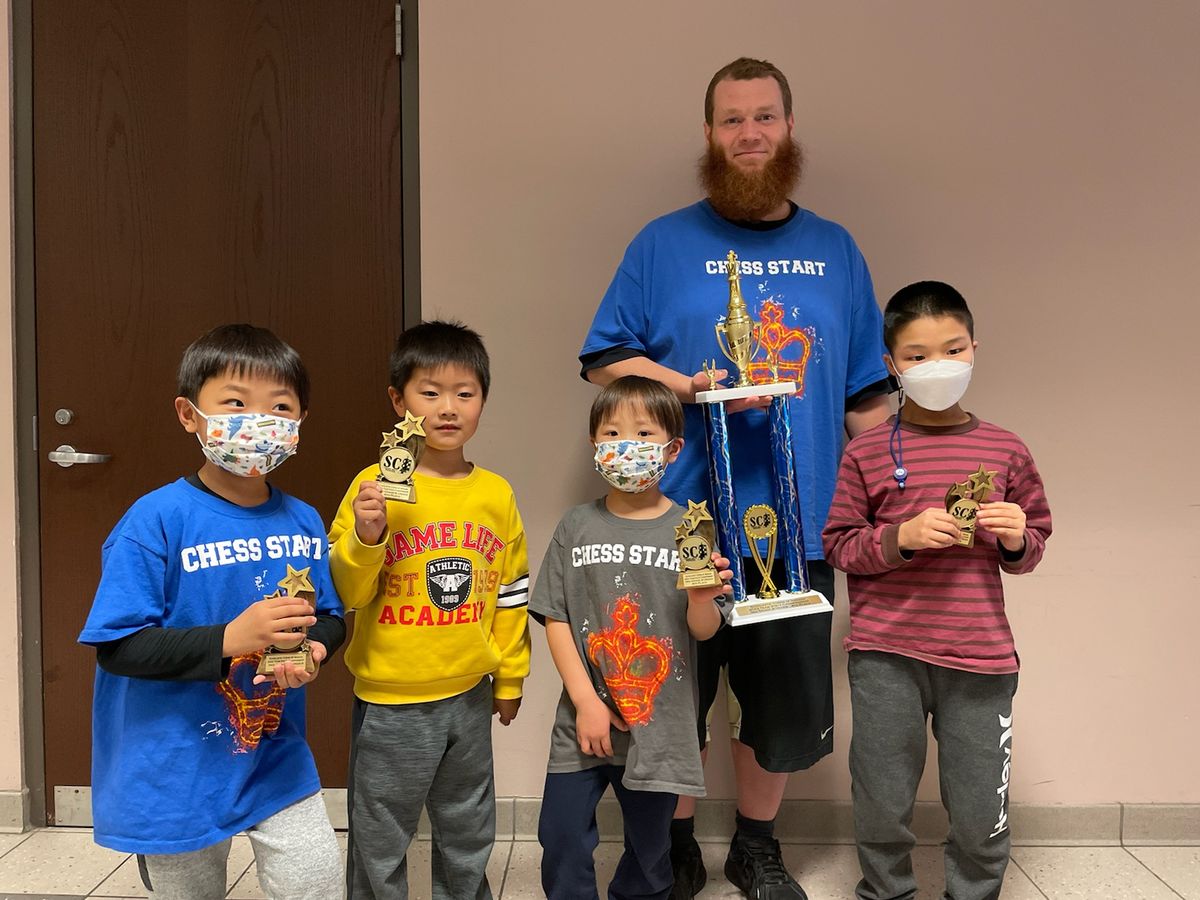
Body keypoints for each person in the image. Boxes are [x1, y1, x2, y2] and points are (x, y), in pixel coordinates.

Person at [580, 56, 892, 899]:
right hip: (681, 516)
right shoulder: (662, 242)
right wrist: (691, 388)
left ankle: (757, 845)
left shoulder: (836, 249)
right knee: (677, 692)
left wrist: (915, 474)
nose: (749, 133)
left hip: (802, 517)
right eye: (731, 119)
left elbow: (867, 396)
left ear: (789, 128)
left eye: (764, 117)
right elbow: (605, 359)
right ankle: (675, 846)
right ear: (709, 134)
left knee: (778, 700)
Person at [79, 324, 345, 900]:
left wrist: (317, 646)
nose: (259, 420)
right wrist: (231, 638)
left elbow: (328, 614)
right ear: (189, 414)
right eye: (235, 402)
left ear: (300, 422)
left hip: (273, 753)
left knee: (317, 877)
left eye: (280, 406)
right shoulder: (154, 522)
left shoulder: (302, 520)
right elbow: (119, 646)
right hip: (175, 768)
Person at [822, 281, 1052, 900]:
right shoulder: (867, 452)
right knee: (880, 799)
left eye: (953, 350)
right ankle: (885, 892)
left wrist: (1013, 536)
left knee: (981, 810)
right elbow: (840, 544)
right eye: (918, 356)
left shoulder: (1005, 448)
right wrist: (901, 537)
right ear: (891, 365)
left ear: (975, 349)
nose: (937, 366)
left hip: (979, 656)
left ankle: (973, 893)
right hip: (885, 655)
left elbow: (1033, 547)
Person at [328, 319, 531, 900]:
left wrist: (510, 675)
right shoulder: (372, 485)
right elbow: (346, 591)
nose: (448, 408)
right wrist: (367, 537)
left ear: (483, 402)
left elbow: (511, 593)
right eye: (430, 392)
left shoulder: (496, 493)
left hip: (468, 692)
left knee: (468, 827)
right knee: (380, 832)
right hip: (392, 698)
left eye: (465, 393)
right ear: (399, 401)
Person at [530, 375, 732, 900]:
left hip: (661, 726)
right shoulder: (576, 526)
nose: (627, 446)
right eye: (612, 433)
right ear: (595, 445)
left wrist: (702, 599)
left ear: (672, 449)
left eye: (643, 434)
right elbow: (555, 616)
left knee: (650, 849)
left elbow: (704, 630)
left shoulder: (693, 527)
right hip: (584, 719)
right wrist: (584, 702)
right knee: (561, 834)